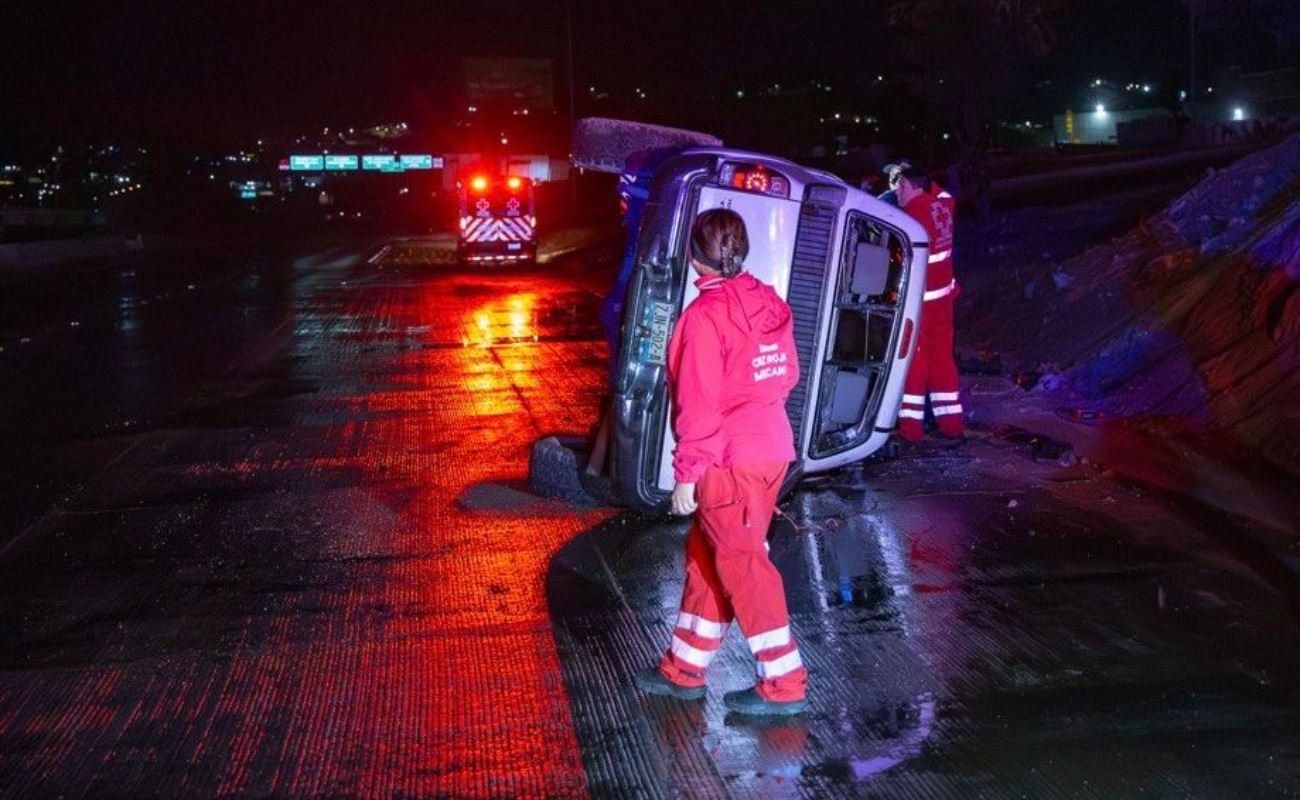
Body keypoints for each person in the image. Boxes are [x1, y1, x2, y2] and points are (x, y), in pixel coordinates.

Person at [633, 208, 808, 716]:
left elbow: (699, 403)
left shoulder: (702, 320)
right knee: (710, 557)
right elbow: (787, 373)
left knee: (743, 564)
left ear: (694, 258)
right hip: (770, 447)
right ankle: (683, 669)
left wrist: (687, 474)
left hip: (728, 461)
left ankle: (784, 683)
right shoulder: (769, 302)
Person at [894, 164, 965, 442]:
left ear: (914, 187)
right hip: (943, 303)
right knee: (943, 363)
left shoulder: (910, 218)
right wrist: (921, 179)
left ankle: (911, 431)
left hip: (920, 308)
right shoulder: (942, 208)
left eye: (901, 187)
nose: (897, 192)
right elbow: (945, 195)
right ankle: (952, 426)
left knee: (915, 365)